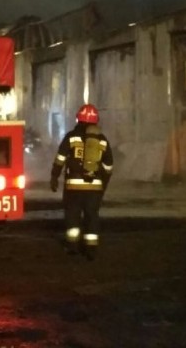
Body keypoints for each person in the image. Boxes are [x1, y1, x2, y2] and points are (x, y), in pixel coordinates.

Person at [50, 103, 114, 260]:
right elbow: (108, 166)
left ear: (78, 119)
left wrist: (54, 177)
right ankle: (91, 248)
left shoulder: (71, 137)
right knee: (92, 215)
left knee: (73, 215)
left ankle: (72, 246)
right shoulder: (102, 140)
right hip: (95, 186)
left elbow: (60, 159)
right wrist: (102, 185)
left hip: (74, 186)